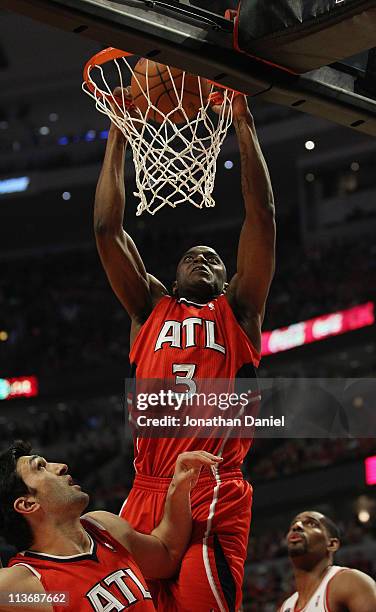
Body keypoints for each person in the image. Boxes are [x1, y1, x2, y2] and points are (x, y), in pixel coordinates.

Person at [94, 91, 275, 611]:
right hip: (145, 490)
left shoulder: (239, 312)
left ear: (227, 278)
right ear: (168, 278)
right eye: (192, 255)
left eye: (215, 259)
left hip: (213, 489)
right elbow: (107, 231)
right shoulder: (147, 309)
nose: (203, 258)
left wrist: (242, 121)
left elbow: (261, 217)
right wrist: (117, 131)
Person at [0, 440, 221, 612]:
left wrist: (179, 489)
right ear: (27, 503)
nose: (60, 466)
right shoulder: (30, 586)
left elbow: (167, 554)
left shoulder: (103, 527)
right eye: (41, 467)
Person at [280, 510, 376, 611]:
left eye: (311, 523)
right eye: (293, 525)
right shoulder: (285, 607)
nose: (296, 526)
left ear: (332, 544)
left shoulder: (350, 582)